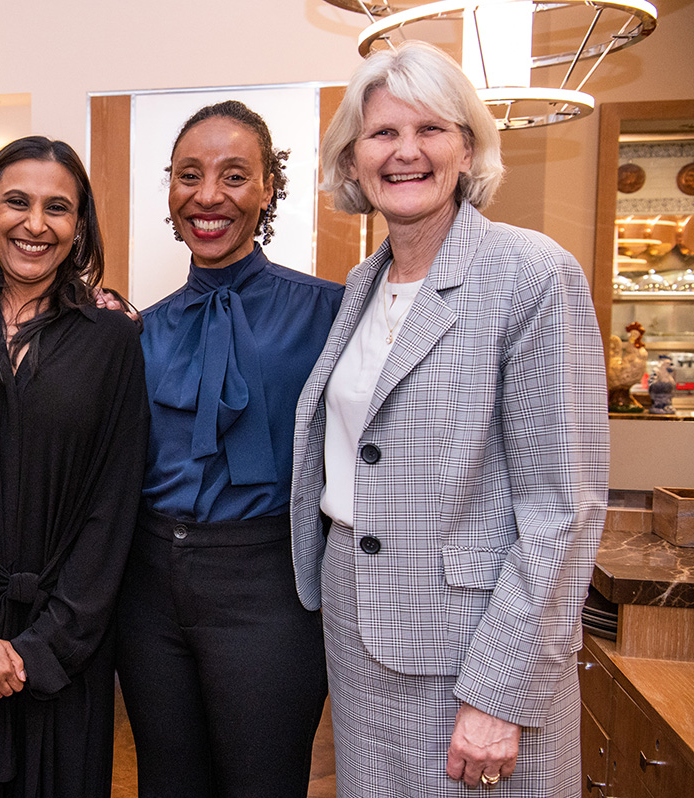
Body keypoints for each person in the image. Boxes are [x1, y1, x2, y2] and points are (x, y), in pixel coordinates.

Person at [291, 41, 609, 796]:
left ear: (468, 148)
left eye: (431, 130)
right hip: (360, 632)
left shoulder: (531, 275)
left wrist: (498, 695)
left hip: (475, 651)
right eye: (382, 135)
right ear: (353, 160)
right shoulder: (365, 282)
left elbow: (562, 508)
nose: (406, 152)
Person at [0, 136, 149, 798]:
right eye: (17, 201)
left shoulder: (115, 341)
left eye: (57, 208)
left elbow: (113, 504)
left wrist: (47, 648)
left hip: (67, 648)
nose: (35, 224)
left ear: (79, 226)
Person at [115, 101, 343, 798]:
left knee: (262, 783)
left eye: (234, 175)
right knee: (167, 781)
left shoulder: (331, 313)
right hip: (148, 588)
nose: (208, 195)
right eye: (189, 175)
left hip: (269, 588)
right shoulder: (136, 332)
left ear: (269, 187)